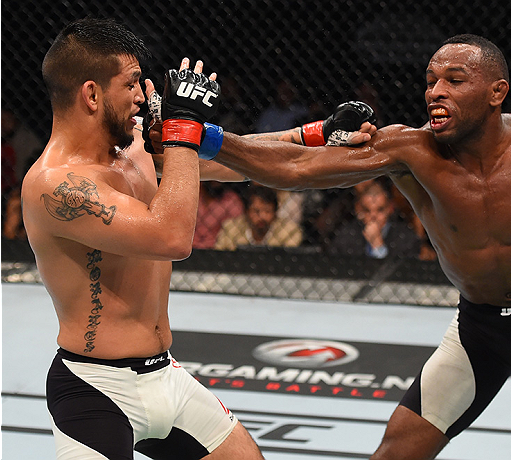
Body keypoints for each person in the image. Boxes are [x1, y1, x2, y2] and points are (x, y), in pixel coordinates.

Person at [199, 34, 511, 459]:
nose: (435, 92)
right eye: (430, 80)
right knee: (396, 452)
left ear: (497, 92)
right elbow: (294, 170)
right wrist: (200, 136)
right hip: (481, 333)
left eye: (454, 80)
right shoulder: (410, 150)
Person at [21, 18, 266, 459]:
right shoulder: (55, 185)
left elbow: (235, 160)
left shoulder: (134, 146)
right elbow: (171, 237)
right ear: (92, 94)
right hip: (95, 390)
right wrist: (184, 125)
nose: (143, 96)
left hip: (165, 373)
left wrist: (318, 135)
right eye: (132, 83)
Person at [329, 178, 420, 259]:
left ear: (390, 208)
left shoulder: (406, 238)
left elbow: (403, 273)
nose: (373, 216)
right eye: (367, 210)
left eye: (380, 210)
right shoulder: (346, 236)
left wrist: (378, 245)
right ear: (358, 209)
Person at [214, 184, 302, 251]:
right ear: (246, 212)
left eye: (267, 211)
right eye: (256, 211)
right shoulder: (231, 228)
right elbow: (219, 253)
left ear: (275, 213)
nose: (262, 216)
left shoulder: (289, 231)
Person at [193, 181, 244, 249]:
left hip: (218, 249)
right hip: (189, 247)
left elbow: (235, 229)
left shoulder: (231, 200)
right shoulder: (193, 194)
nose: (215, 182)